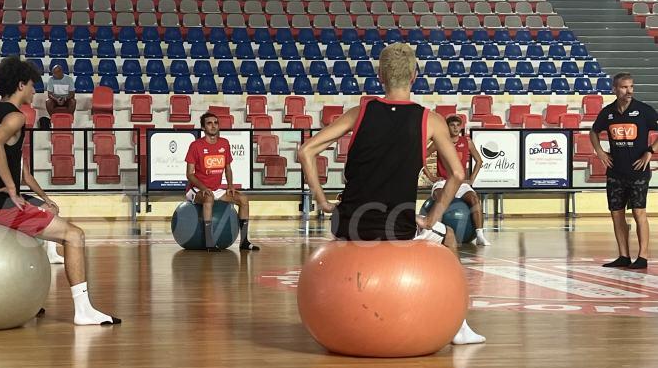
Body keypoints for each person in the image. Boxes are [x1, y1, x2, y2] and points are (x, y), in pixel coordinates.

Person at [298, 43, 484, 345]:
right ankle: (458, 326)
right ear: (414, 76)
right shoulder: (430, 120)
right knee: (448, 234)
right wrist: (433, 216)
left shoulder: (359, 112)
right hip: (397, 227)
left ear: (380, 77)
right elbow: (459, 175)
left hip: (347, 224)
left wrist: (322, 201)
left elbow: (306, 151)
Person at [0, 56, 119, 325]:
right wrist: (13, 188)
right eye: (32, 85)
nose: (35, 90)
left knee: (35, 226)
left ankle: (22, 300)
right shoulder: (15, 116)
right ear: (20, 84)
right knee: (74, 235)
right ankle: (84, 311)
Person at [590, 72, 658, 269]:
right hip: (615, 173)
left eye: (631, 87)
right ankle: (623, 256)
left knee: (639, 213)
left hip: (638, 172)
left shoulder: (644, 110)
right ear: (614, 89)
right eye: (624, 87)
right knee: (616, 213)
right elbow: (594, 131)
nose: (629, 91)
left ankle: (643, 256)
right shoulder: (608, 112)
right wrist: (600, 152)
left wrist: (649, 152)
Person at [185, 112, 259, 252]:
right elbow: (189, 174)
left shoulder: (224, 143)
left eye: (215, 123)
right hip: (196, 189)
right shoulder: (195, 146)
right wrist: (203, 188)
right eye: (209, 123)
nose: (213, 126)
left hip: (216, 188)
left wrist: (230, 185)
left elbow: (228, 167)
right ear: (203, 127)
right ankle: (209, 243)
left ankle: (244, 241)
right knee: (209, 197)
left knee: (243, 199)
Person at [423, 114, 490, 246]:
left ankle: (480, 235)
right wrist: (430, 176)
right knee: (440, 197)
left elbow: (479, 161)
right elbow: (422, 157)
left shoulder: (467, 142)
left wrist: (471, 179)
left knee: (474, 198)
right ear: (447, 127)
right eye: (452, 125)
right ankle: (431, 231)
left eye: (458, 125)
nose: (455, 128)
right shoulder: (440, 142)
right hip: (443, 181)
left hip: (460, 182)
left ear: (461, 127)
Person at [38, 65, 76, 130]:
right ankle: (52, 119)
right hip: (55, 99)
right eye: (53, 73)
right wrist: (56, 99)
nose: (54, 75)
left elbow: (72, 94)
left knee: (73, 101)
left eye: (55, 73)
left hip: (66, 99)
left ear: (60, 72)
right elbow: (49, 94)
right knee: (48, 101)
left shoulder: (69, 79)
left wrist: (65, 99)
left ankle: (69, 119)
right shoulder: (51, 79)